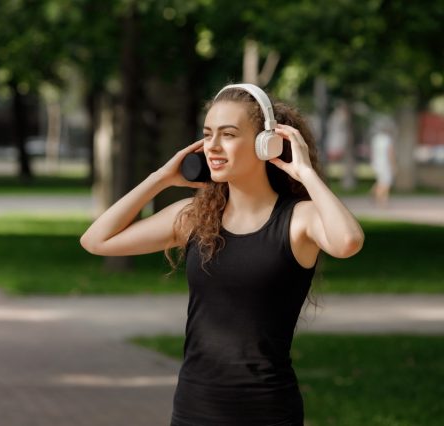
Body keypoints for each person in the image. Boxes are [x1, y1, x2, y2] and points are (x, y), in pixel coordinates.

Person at [80, 83, 365, 425]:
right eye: (207, 134)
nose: (212, 146)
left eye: (228, 134)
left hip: (267, 411)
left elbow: (347, 241)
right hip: (194, 406)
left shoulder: (298, 219)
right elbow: (96, 240)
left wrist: (304, 172)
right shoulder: (194, 217)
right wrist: (160, 178)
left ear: (266, 144)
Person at [369, 119, 396, 208]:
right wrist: (393, 165)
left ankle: (377, 196)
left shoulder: (375, 139)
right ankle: (380, 199)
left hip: (377, 164)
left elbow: (372, 152)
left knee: (381, 181)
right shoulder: (387, 139)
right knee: (386, 183)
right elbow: (390, 153)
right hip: (385, 164)